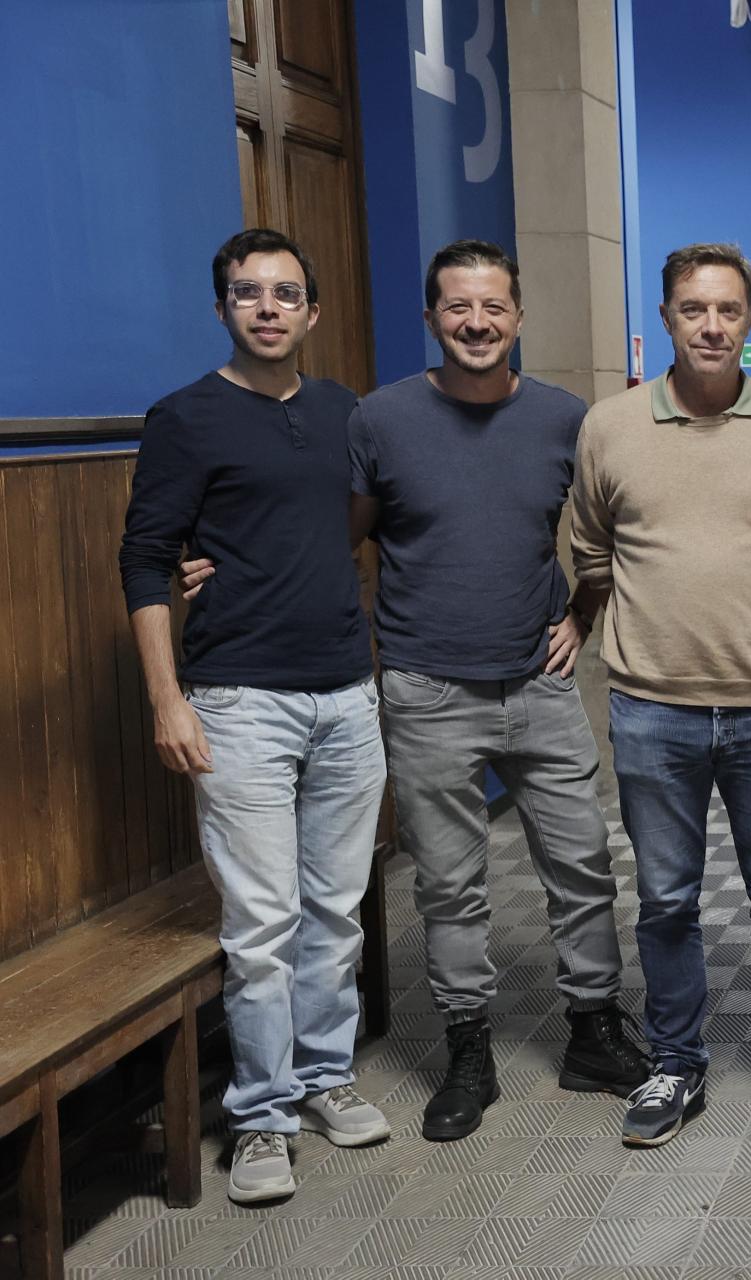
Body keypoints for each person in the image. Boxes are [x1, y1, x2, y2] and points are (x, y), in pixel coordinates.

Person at [348, 240, 649, 1142]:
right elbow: (338, 534)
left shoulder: (566, 418)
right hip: (427, 687)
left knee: (584, 866)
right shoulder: (380, 419)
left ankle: (593, 1030)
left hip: (541, 683)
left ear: (518, 317)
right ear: (433, 317)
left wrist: (581, 617)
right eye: (456, 308)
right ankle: (466, 1045)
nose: (476, 323)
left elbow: (597, 537)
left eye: (492, 308)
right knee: (449, 884)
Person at [121, 228, 389, 1203]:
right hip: (236, 701)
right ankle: (263, 1117)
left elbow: (349, 526)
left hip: (347, 692)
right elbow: (146, 560)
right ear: (225, 308)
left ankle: (326, 1076)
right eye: (248, 292)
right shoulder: (184, 417)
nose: (268, 306)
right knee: (262, 921)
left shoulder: (344, 412)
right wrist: (167, 697)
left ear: (312, 312)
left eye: (285, 292)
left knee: (334, 908)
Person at [570, 243, 751, 1146]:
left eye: (728, 310)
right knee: (664, 900)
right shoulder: (610, 427)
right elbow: (591, 549)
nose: (711, 325)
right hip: (651, 704)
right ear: (666, 319)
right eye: (693, 309)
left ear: (750, 321)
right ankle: (674, 1065)